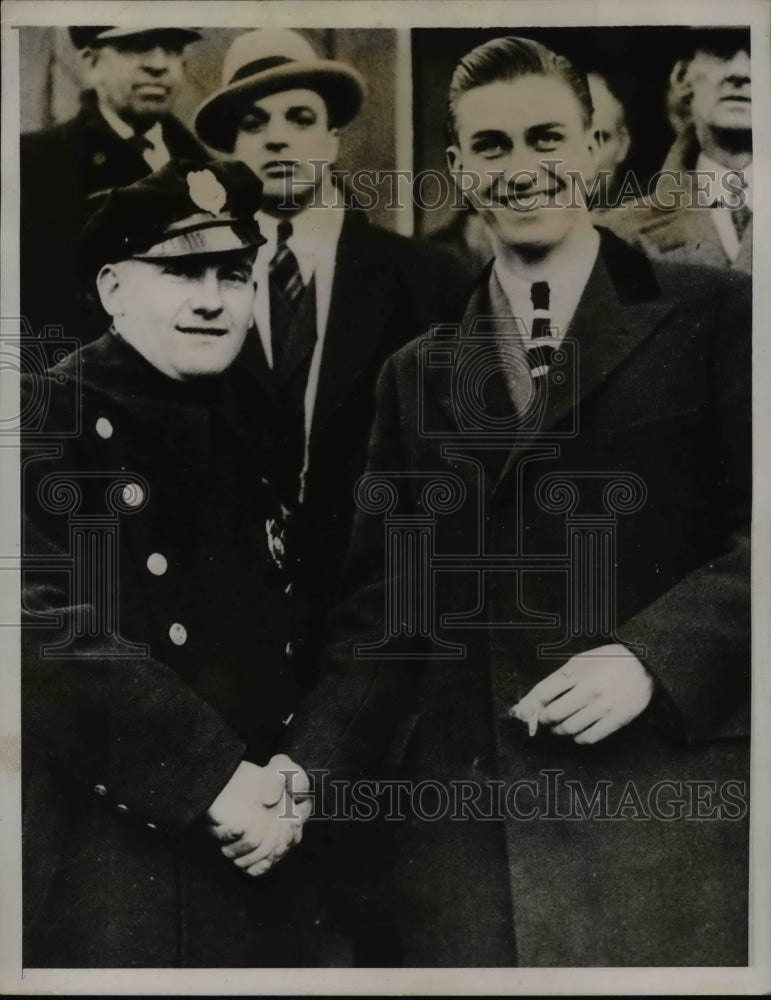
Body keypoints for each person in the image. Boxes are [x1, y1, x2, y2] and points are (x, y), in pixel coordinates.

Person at [283, 35, 750, 967]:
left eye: (546, 138)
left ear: (593, 151)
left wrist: (653, 657)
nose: (522, 168)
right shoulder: (416, 376)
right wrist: (303, 773)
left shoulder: (715, 316)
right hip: (475, 849)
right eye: (490, 148)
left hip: (667, 828)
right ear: (458, 168)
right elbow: (386, 616)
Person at [20, 159, 345, 968]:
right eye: (180, 273)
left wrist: (293, 780)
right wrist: (210, 776)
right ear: (113, 290)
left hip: (269, 842)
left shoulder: (254, 420)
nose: (211, 300)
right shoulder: (47, 417)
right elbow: (37, 632)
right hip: (117, 855)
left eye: (232, 275)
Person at [193, 29, 471, 685]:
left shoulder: (428, 280)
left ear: (333, 140)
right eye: (253, 123)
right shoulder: (187, 284)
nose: (277, 139)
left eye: (300, 119)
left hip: (383, 633)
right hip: (226, 638)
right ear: (232, 148)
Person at [21, 26, 207, 345]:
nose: (159, 64)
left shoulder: (205, 168)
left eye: (173, 48)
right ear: (92, 64)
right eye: (137, 46)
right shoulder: (33, 162)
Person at [605, 27, 752, 273]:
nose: (739, 72)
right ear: (682, 76)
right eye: (719, 52)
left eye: (761, 52)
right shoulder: (614, 233)